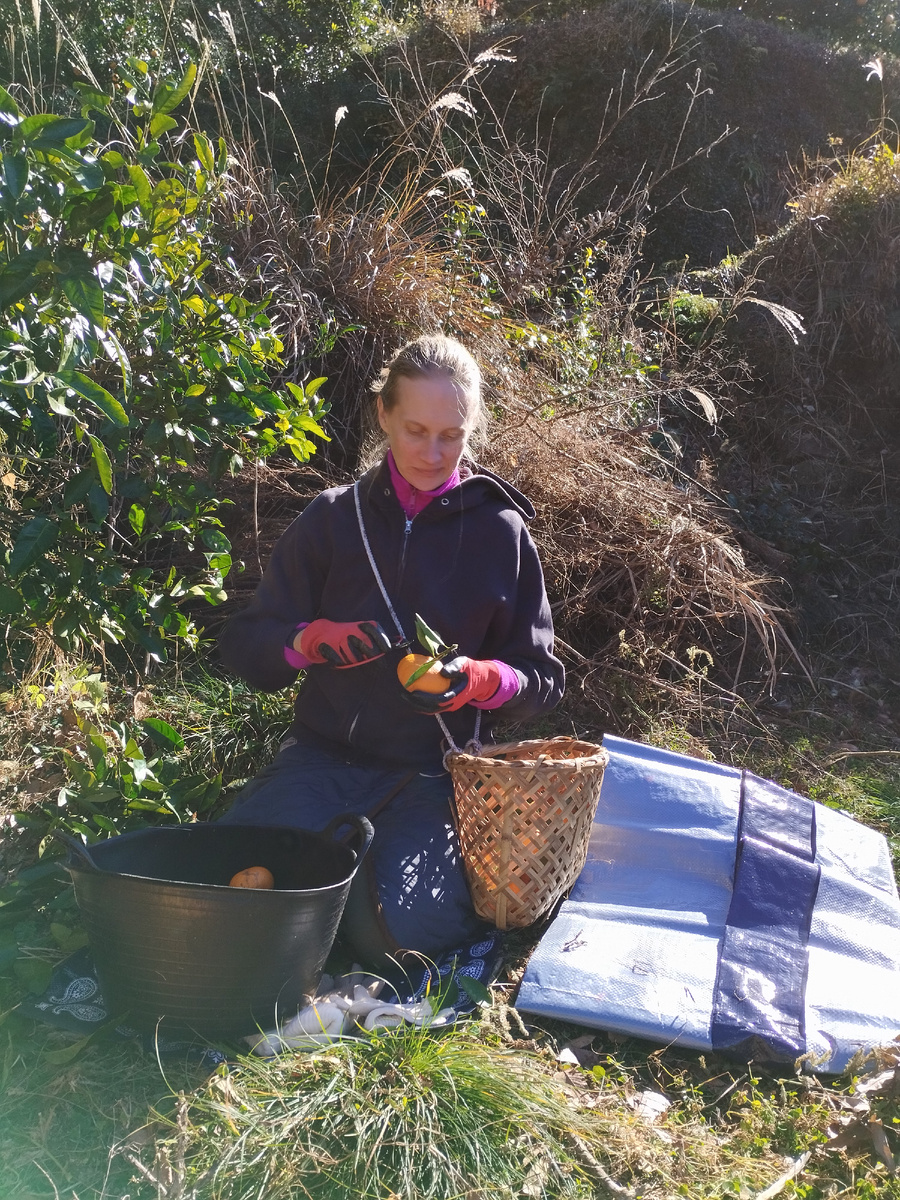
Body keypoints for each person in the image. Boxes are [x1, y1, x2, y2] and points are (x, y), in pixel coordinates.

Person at [217, 334, 564, 963]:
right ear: (383, 414)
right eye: (415, 429)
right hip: (321, 759)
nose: (433, 453)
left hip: (434, 773)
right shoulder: (331, 520)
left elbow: (540, 678)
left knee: (396, 936)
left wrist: (482, 679)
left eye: (452, 435)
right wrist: (306, 642)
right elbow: (246, 644)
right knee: (236, 880)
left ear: (471, 428)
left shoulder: (500, 533)